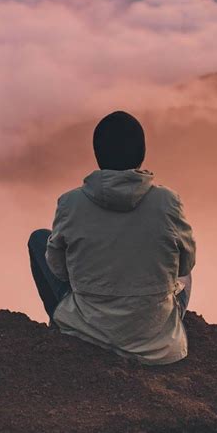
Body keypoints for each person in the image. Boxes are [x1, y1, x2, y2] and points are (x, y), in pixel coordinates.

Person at [27, 111, 196, 366]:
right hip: (155, 339)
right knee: (184, 274)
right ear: (141, 154)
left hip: (88, 327)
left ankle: (62, 326)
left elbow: (59, 270)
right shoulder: (167, 202)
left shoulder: (70, 202)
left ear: (98, 155)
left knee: (39, 240)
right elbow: (184, 266)